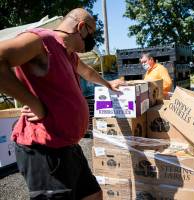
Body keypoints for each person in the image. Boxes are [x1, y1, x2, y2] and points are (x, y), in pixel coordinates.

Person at [0, 8, 123, 200]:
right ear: (81, 27)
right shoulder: (41, 40)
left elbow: (88, 72)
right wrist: (33, 103)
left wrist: (108, 84)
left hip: (68, 146)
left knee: (93, 195)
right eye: (91, 35)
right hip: (44, 147)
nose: (92, 41)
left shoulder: (68, 54)